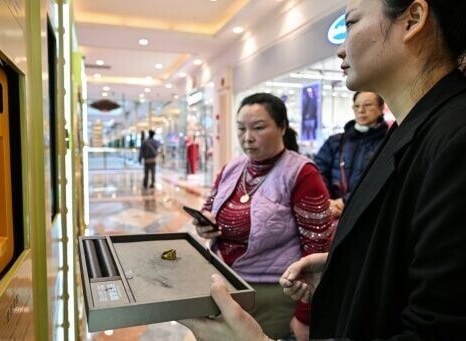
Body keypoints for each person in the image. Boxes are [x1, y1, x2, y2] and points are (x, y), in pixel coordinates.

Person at [180, 0, 466, 340]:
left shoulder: (454, 137)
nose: (341, 50)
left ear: (413, 19)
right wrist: (342, 268)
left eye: (352, 24)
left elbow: (438, 327)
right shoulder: (408, 132)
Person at [194, 93, 333, 340]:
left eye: (258, 128)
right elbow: (210, 205)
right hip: (225, 281)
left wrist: (304, 315)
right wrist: (205, 222)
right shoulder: (233, 167)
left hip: (272, 293)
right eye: (240, 129)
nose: (247, 138)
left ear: (282, 127)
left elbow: (316, 247)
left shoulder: (301, 173)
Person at [314, 91, 388, 218]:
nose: (361, 110)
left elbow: (380, 180)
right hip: (332, 210)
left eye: (368, 105)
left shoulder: (388, 142)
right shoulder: (335, 141)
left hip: (369, 213)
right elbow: (318, 173)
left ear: (381, 109)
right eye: (357, 106)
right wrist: (327, 202)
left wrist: (345, 202)